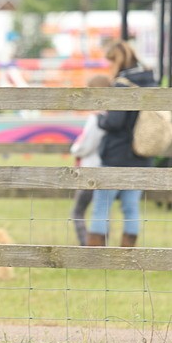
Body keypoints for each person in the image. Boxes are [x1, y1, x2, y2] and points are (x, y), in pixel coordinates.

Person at [87, 41, 156, 247]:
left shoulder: (122, 85)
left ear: (116, 60)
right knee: (131, 206)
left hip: (116, 154)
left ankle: (95, 253)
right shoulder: (150, 82)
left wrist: (100, 118)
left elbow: (114, 121)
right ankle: (128, 252)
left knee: (102, 204)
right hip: (141, 154)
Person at [69, 74, 112, 245]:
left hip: (91, 168)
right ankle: (102, 243)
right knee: (102, 210)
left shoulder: (97, 118)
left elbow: (87, 143)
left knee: (78, 211)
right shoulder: (111, 116)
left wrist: (75, 149)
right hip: (103, 166)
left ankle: (87, 244)